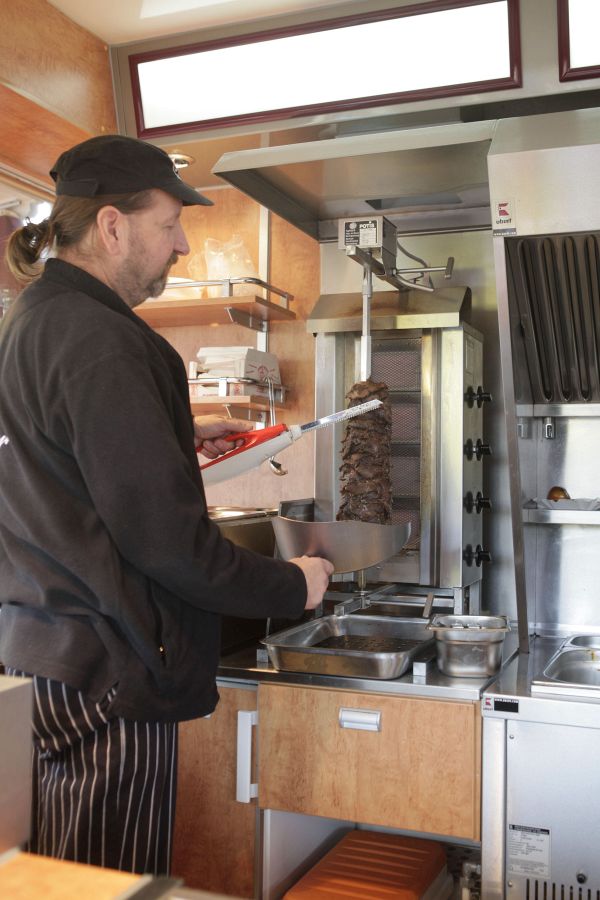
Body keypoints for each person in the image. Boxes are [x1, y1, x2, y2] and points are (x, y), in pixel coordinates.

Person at [0, 134, 333, 876]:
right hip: (109, 669)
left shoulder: (28, 322)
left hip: (36, 659)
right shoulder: (104, 340)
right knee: (110, 883)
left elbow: (59, 470)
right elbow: (169, 543)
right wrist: (295, 584)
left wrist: (172, 438)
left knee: (55, 879)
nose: (181, 245)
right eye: (170, 224)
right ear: (112, 226)